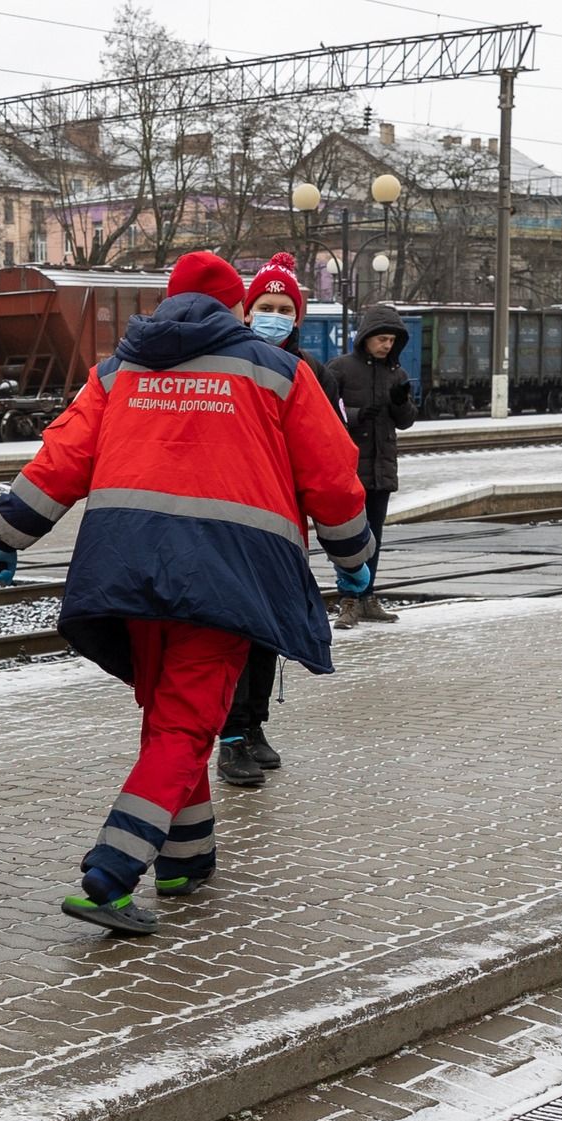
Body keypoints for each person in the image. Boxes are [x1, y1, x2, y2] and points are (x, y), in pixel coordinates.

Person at [0, 250, 373, 936]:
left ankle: (185, 858)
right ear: (234, 309)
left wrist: (8, 536)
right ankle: (110, 872)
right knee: (190, 723)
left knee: (170, 717)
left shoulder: (119, 369)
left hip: (124, 569)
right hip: (222, 574)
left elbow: (62, 457)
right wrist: (354, 557)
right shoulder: (276, 372)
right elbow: (331, 473)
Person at [218, 251, 349, 790]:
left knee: (267, 630)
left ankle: (254, 725)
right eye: (264, 305)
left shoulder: (310, 372)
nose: (273, 315)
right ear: (247, 311)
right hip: (238, 518)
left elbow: (329, 448)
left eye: (283, 307)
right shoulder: (232, 367)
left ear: (297, 316)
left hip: (287, 522)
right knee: (233, 630)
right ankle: (229, 737)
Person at [325, 301, 419, 630]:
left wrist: (401, 402)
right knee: (350, 538)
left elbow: (406, 421)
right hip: (349, 468)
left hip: (381, 470)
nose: (386, 345)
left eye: (391, 341)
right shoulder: (340, 369)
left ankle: (367, 596)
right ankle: (348, 600)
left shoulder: (397, 374)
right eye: (381, 339)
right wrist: (355, 416)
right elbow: (324, 413)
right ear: (366, 337)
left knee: (374, 537)